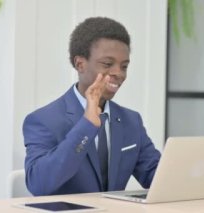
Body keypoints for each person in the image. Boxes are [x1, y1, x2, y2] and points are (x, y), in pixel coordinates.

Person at [23, 17, 161, 196]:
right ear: (80, 64)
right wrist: (87, 125)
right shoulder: (43, 120)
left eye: (124, 66)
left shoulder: (131, 121)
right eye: (107, 64)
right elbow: (39, 185)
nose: (118, 73)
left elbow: (155, 176)